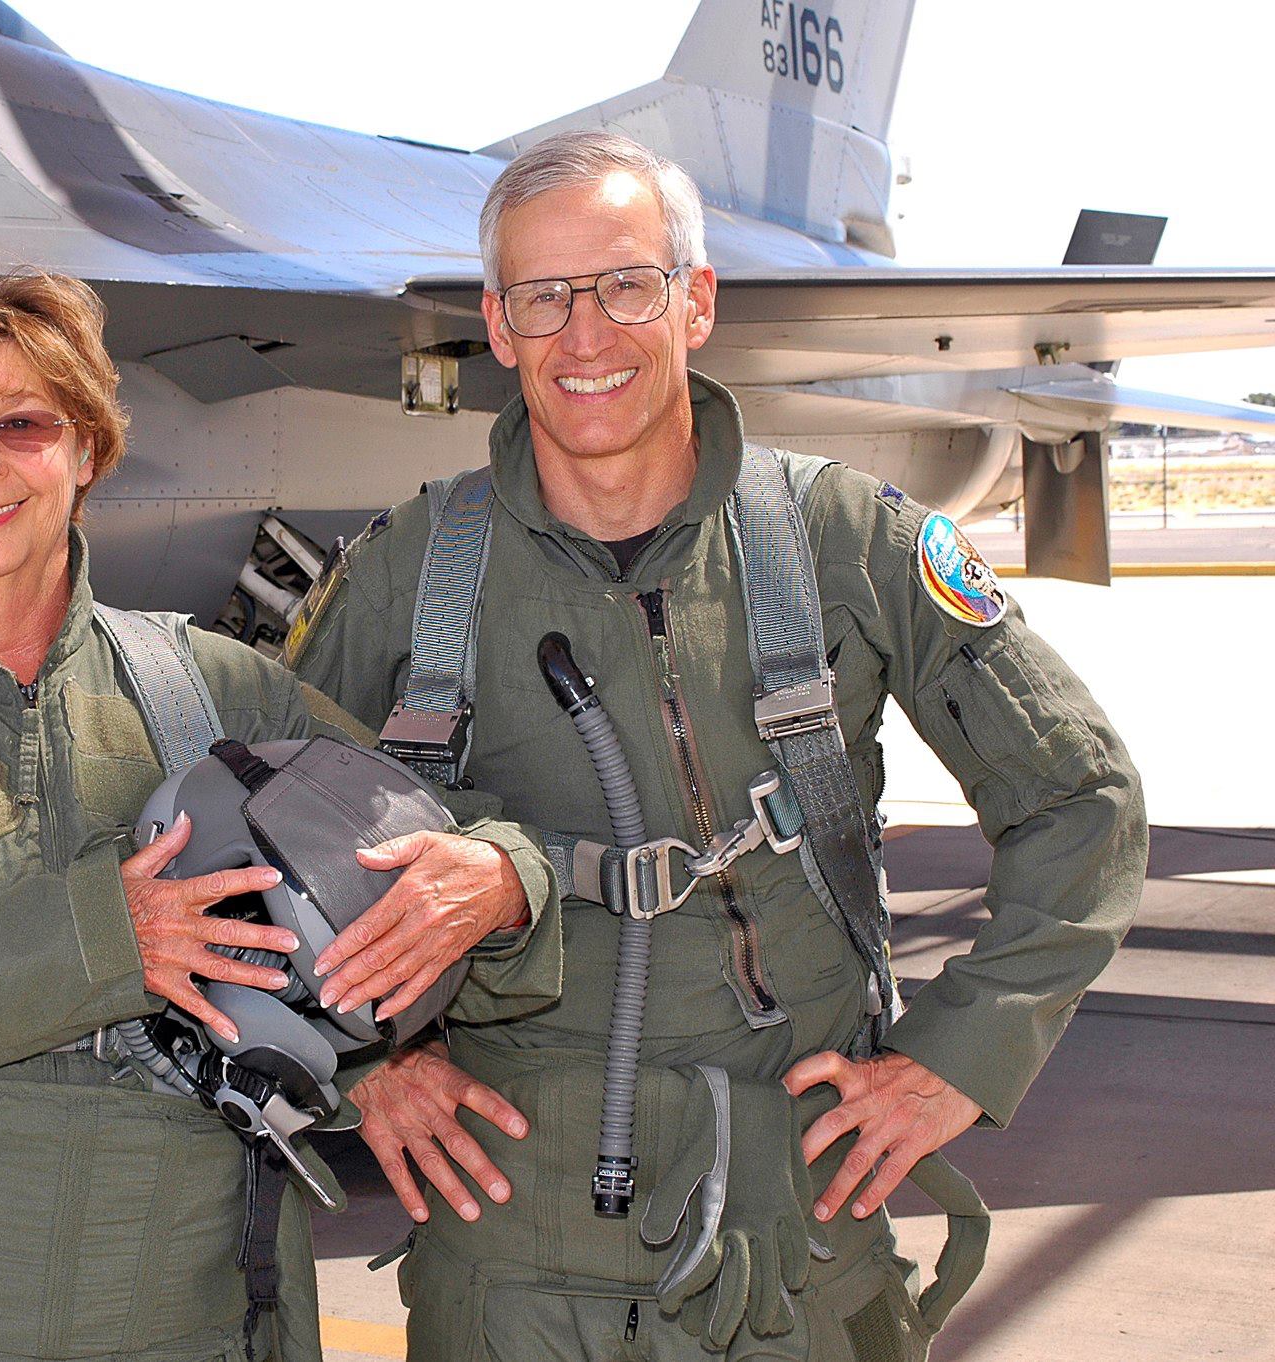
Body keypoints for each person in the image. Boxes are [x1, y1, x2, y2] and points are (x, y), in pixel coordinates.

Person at [290, 130, 1145, 1361]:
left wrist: (960, 1055)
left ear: (693, 302)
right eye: (543, 297)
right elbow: (240, 831)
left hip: (793, 1249)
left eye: (625, 284)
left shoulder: (843, 543)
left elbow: (1080, 797)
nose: (585, 335)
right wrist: (365, 1069)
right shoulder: (410, 571)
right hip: (510, 1265)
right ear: (497, 323)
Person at [0, 269, 558, 1362]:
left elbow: (434, 838)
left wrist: (484, 898)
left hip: (191, 1323)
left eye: (22, 424)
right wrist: (106, 940)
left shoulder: (222, 696)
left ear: (87, 450)